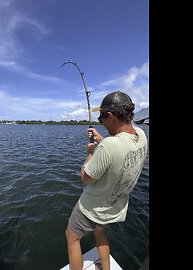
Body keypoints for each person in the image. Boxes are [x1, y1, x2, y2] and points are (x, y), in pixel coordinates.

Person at [65, 91, 148, 270]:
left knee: (72, 238)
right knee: (99, 231)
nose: (101, 123)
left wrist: (90, 152)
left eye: (102, 118)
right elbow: (121, 148)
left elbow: (85, 178)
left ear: (110, 116)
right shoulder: (141, 135)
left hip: (91, 208)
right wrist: (101, 140)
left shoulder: (109, 146)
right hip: (114, 207)